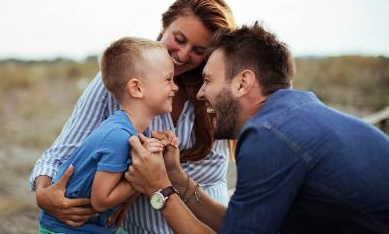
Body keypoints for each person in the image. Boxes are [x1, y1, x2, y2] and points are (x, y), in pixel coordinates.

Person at [125, 23, 389, 234]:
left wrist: (158, 189)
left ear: (243, 83)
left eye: (208, 80)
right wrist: (177, 179)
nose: (202, 93)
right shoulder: (296, 119)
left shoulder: (268, 135)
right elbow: (238, 224)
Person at [29, 0, 238, 233]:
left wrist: (155, 176)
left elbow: (197, 177)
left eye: (198, 51)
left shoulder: (213, 93)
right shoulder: (123, 78)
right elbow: (64, 151)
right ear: (164, 25)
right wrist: (44, 193)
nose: (182, 55)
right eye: (179, 40)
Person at [38, 37, 179, 233]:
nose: (175, 87)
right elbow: (101, 201)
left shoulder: (131, 130)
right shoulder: (117, 137)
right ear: (137, 88)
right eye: (168, 79)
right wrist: (143, 178)